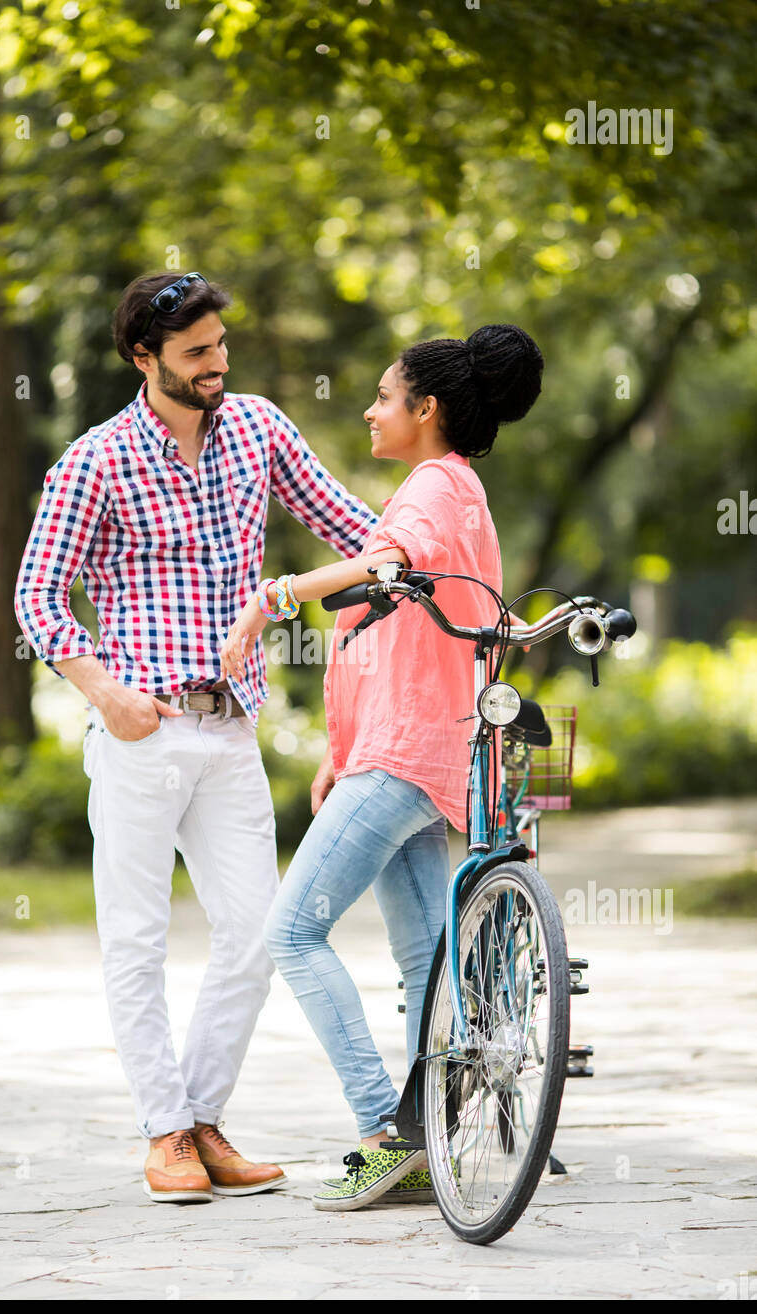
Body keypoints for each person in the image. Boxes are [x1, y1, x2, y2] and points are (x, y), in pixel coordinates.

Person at [14, 271, 379, 1203]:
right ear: (145, 359)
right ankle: (163, 1133)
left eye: (220, 346)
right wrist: (104, 691)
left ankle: (202, 1121)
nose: (217, 364)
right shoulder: (94, 461)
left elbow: (356, 530)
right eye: (195, 354)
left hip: (231, 731)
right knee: (134, 941)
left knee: (260, 933)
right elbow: (37, 594)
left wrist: (421, 543)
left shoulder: (258, 427)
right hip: (141, 734)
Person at [220, 324, 544, 1210]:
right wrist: (341, 754)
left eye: (384, 395)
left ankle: (384, 1128)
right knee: (422, 957)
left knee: (290, 932)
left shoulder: (428, 488)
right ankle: (431, 1136)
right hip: (424, 755)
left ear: (426, 410)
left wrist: (273, 598)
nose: (370, 410)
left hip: (404, 756)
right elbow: (406, 631)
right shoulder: (465, 489)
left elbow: (384, 566)